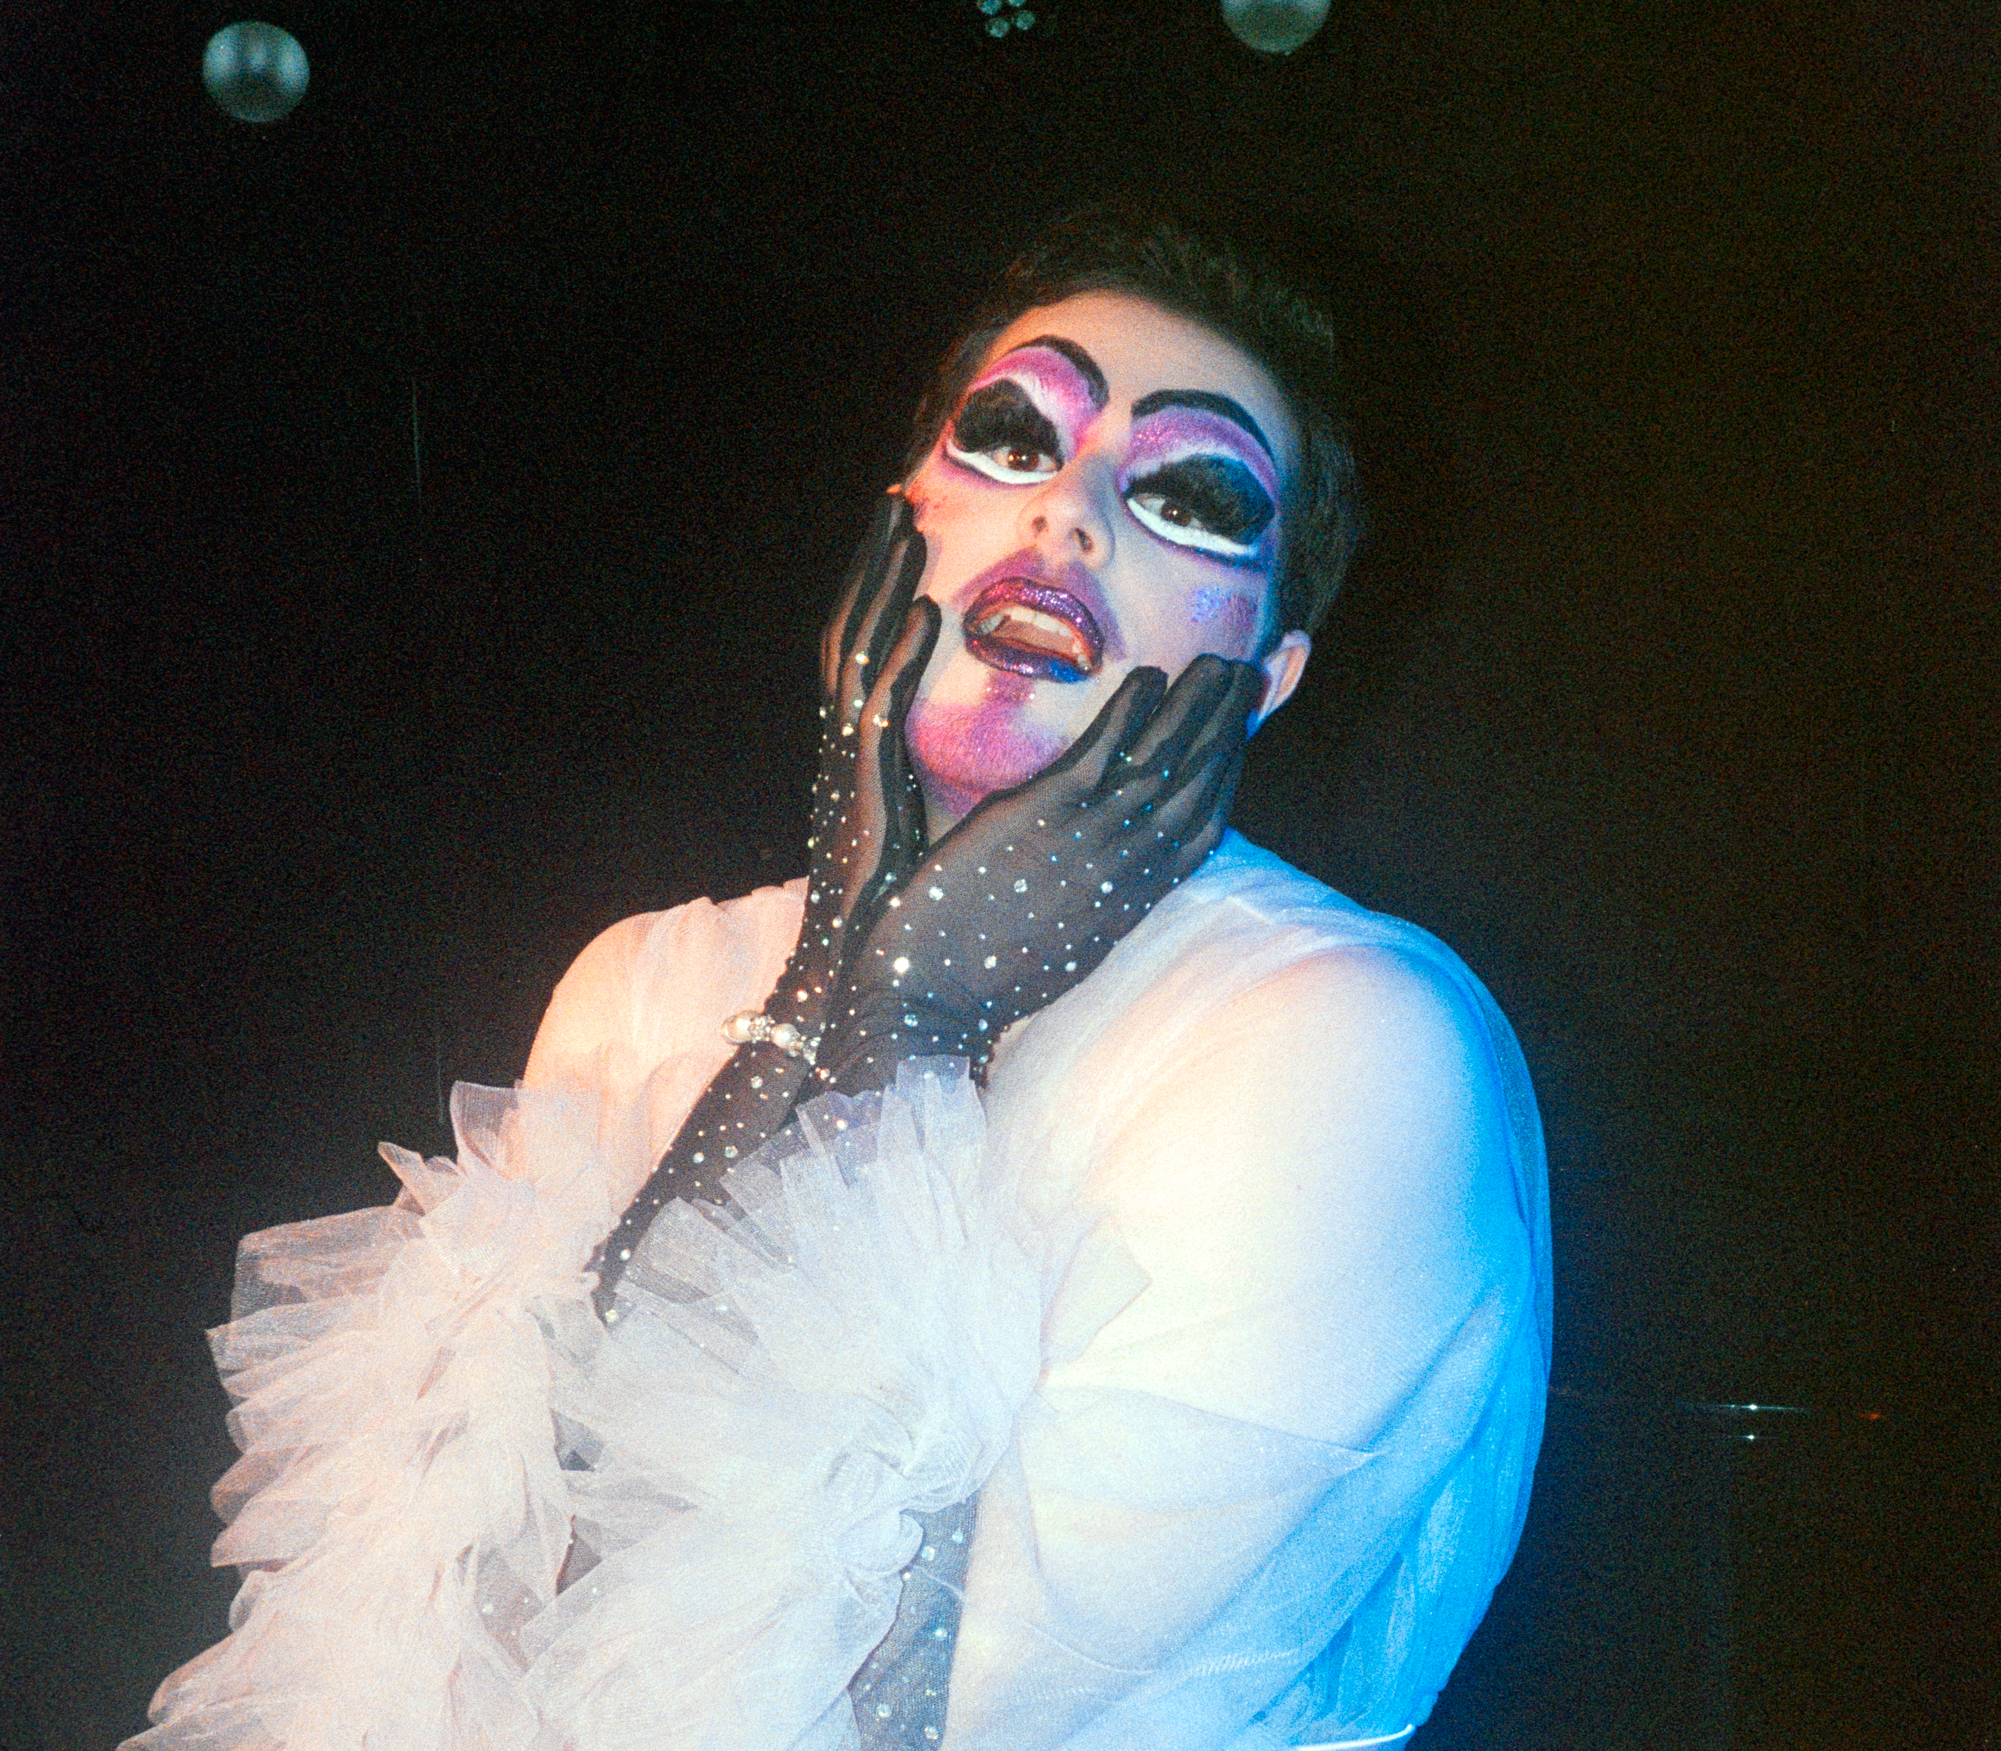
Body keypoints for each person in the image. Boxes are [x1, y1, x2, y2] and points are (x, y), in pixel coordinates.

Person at [129, 206, 1550, 1751]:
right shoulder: (647, 978)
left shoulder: (1337, 1053)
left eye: (1191, 494)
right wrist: (826, 978)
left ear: (1266, 672)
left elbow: (889, 1718)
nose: (1068, 513)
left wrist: (895, 1030)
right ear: (902, 521)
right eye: (1012, 437)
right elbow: (473, 1627)